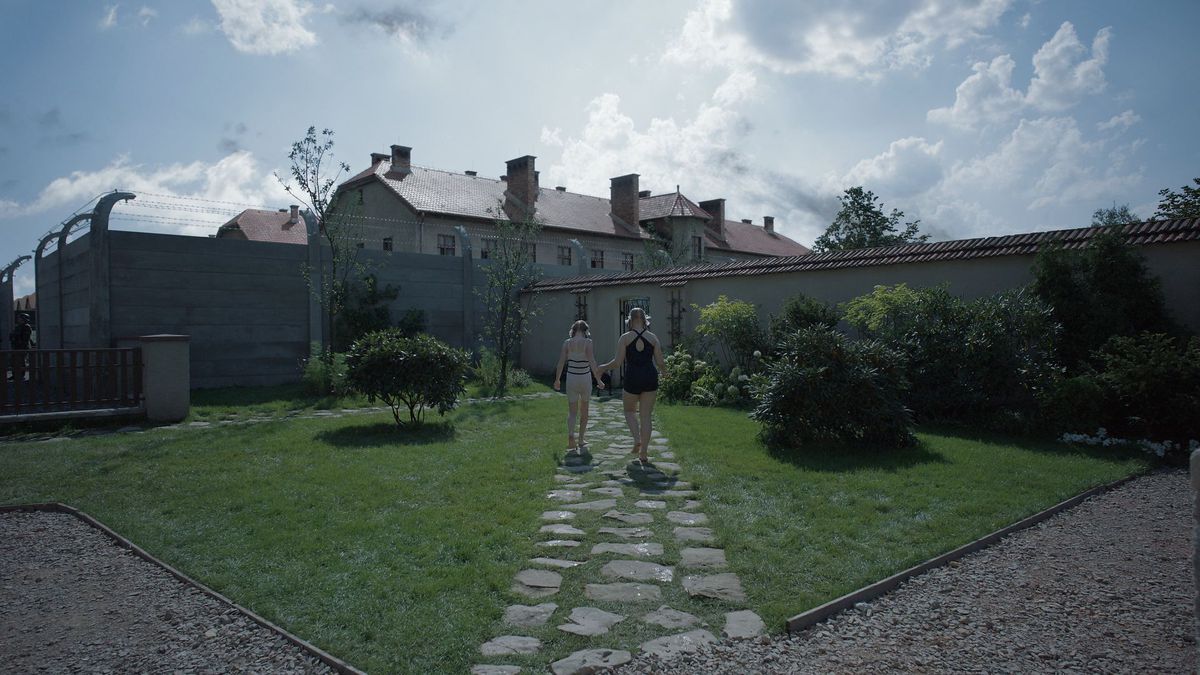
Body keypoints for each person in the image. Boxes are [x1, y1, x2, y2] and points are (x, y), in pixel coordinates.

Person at [600, 307, 667, 464]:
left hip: (632, 378)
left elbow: (617, 363)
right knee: (646, 417)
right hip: (650, 378)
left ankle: (637, 439)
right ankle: (643, 453)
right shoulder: (653, 338)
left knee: (629, 411)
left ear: (630, 320)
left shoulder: (624, 338)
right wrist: (665, 372)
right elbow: (660, 362)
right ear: (645, 320)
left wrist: (603, 367)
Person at [553, 320, 606, 451]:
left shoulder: (567, 343)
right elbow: (592, 361)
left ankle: (571, 435)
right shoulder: (588, 342)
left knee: (572, 411)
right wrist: (598, 380)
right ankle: (581, 439)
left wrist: (557, 380)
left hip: (571, 377)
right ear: (585, 330)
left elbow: (560, 363)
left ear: (574, 330)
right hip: (585, 378)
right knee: (585, 410)